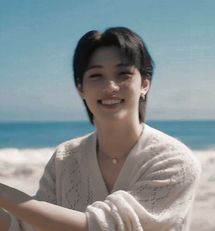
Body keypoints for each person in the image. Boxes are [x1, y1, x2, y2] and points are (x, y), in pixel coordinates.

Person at [0, 27, 201, 231]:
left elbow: (108, 227)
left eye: (123, 74)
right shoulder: (64, 158)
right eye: (96, 75)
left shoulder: (176, 162)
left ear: (145, 85)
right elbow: (28, 226)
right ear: (81, 89)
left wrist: (4, 194)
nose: (111, 86)